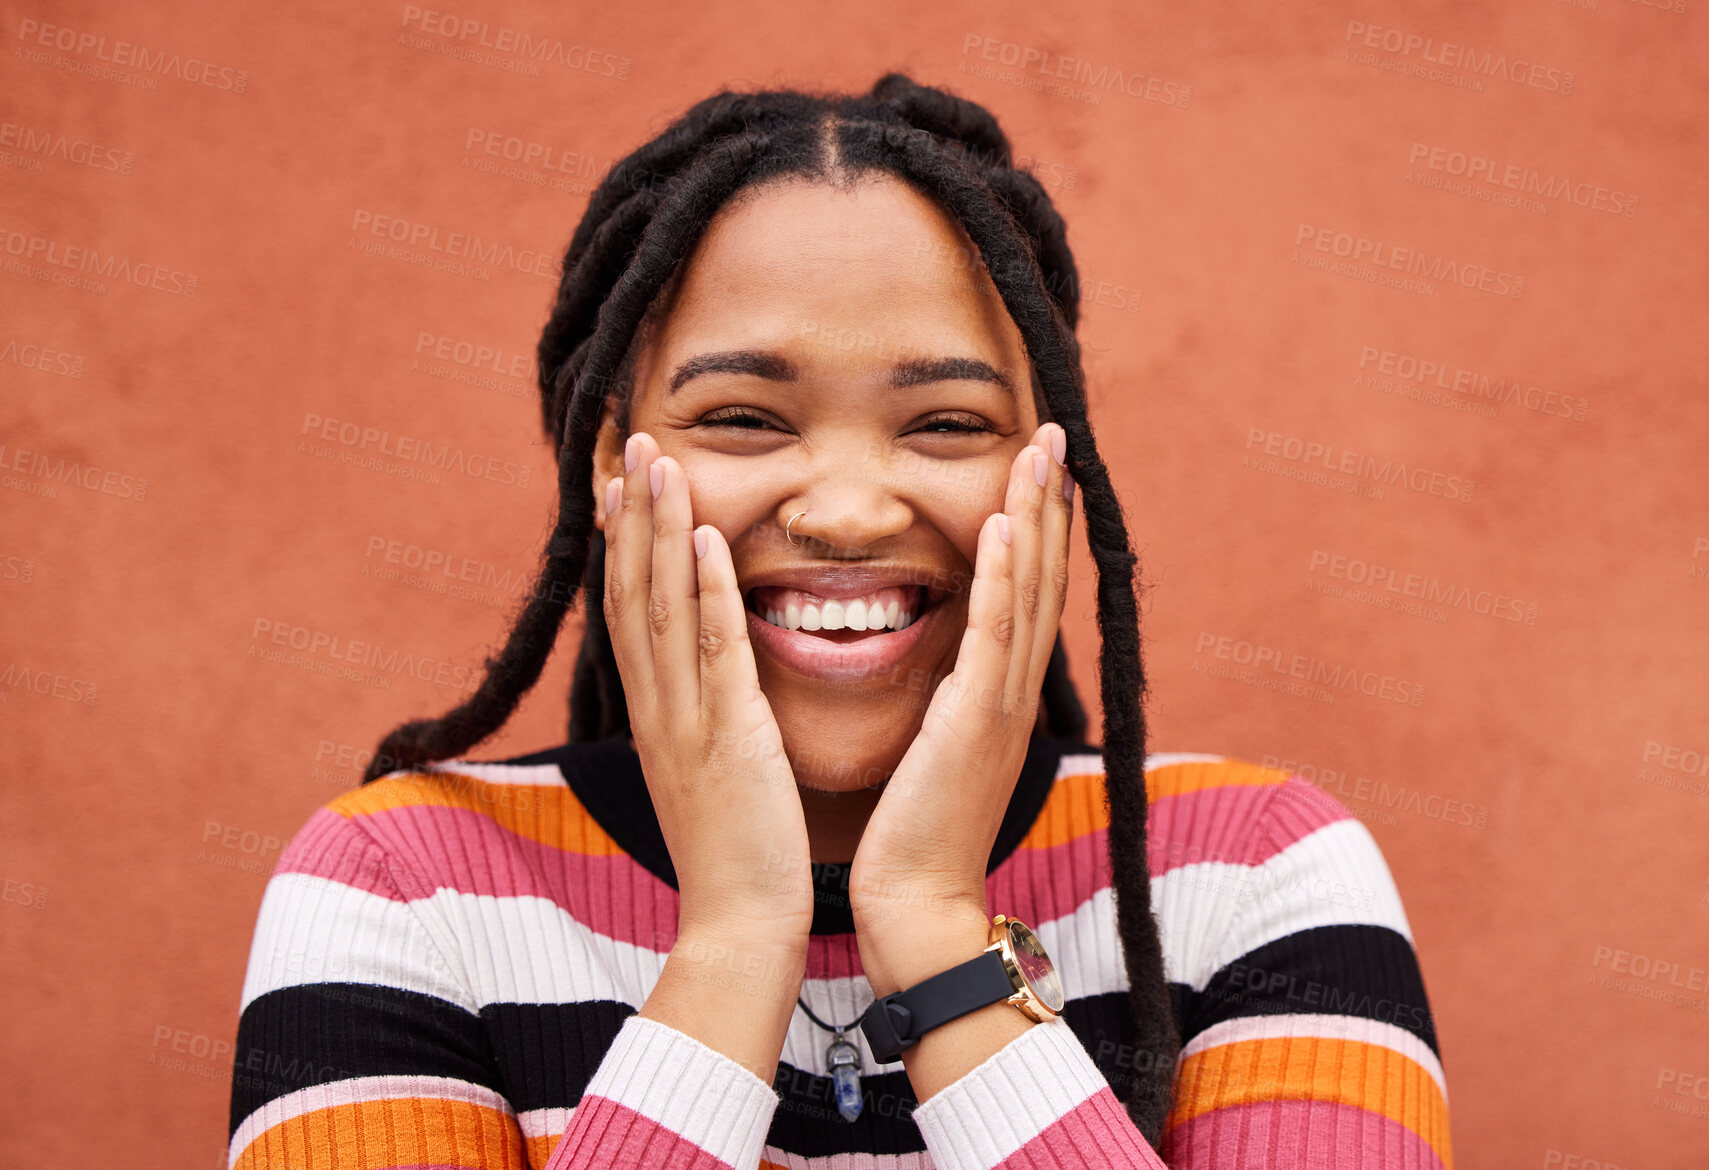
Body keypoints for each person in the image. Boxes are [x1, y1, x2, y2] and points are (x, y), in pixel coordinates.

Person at [226, 74, 1452, 1169]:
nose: (850, 512)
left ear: (1051, 469)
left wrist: (932, 926)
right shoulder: (400, 889)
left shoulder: (1253, 877)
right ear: (610, 460)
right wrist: (733, 941)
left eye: (946, 425)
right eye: (745, 418)